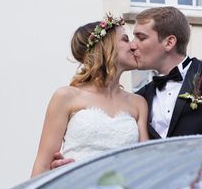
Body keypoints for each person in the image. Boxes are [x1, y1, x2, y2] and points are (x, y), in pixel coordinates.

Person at [50, 6, 202, 168]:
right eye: (130, 39)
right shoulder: (139, 98)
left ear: (169, 42)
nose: (133, 45)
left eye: (141, 37)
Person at [31, 14, 149, 177]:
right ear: (105, 46)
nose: (134, 46)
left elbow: (146, 165)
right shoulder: (66, 96)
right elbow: (42, 165)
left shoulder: (138, 104)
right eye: (125, 39)